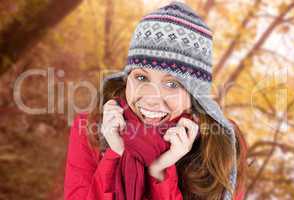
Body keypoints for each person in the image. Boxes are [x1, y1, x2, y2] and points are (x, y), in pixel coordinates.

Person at [64, 1, 248, 200]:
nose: (152, 99)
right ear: (128, 79)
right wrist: (115, 154)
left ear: (195, 95)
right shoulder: (90, 128)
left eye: (172, 84)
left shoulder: (219, 148)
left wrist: (160, 171)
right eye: (141, 77)